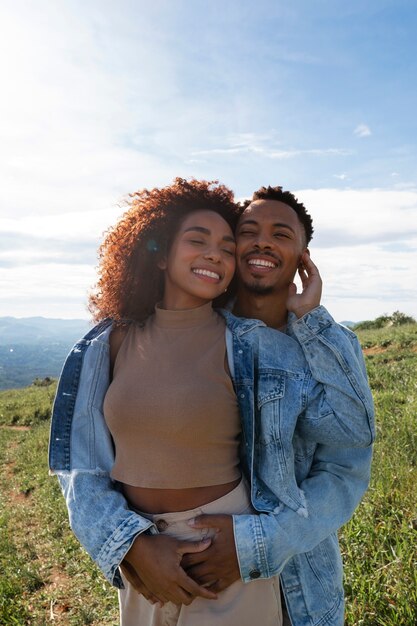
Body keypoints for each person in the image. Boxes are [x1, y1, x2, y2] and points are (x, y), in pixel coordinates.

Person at [49, 181, 374, 626]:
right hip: (150, 555)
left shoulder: (289, 346)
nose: (261, 241)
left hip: (277, 566)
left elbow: (348, 459)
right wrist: (129, 544)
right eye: (247, 231)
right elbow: (82, 462)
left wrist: (254, 545)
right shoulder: (115, 341)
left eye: (281, 234)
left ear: (303, 256)